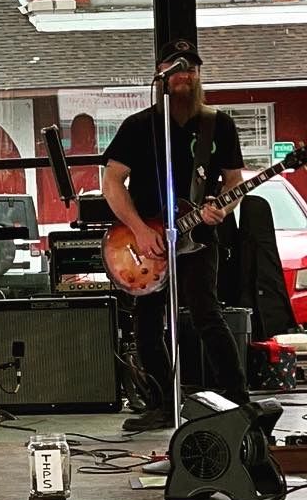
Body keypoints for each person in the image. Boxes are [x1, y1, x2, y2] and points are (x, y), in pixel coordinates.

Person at [102, 38, 249, 431]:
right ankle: (163, 404)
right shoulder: (139, 126)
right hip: (147, 240)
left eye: (191, 69)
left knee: (206, 313)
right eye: (177, 68)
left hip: (198, 236)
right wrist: (138, 229)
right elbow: (112, 182)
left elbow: (234, 181)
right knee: (148, 323)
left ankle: (238, 399)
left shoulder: (218, 124)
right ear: (162, 75)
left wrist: (223, 208)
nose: (185, 75)